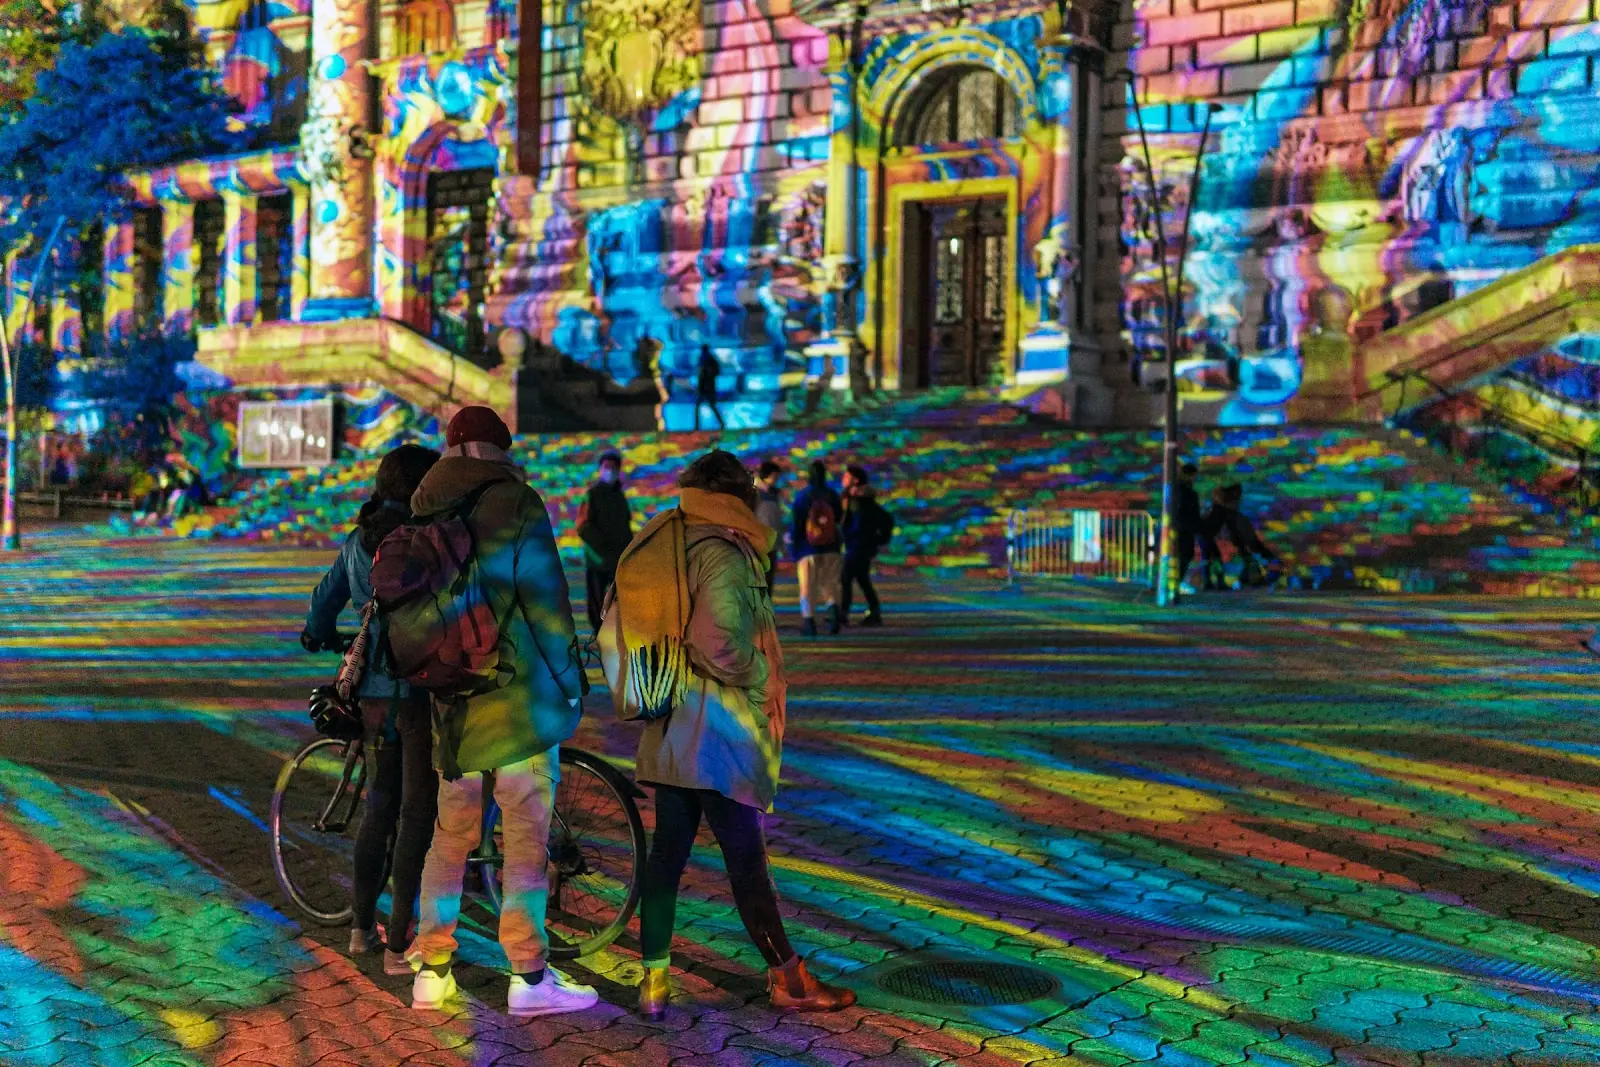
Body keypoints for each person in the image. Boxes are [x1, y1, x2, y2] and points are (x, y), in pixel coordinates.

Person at [608, 449, 857, 1018]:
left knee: (667, 856)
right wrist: (760, 674)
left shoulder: (674, 541)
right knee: (746, 859)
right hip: (714, 734)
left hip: (672, 729)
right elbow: (719, 643)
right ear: (736, 497)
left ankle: (653, 983)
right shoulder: (723, 552)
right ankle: (789, 981)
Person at [403, 407, 598, 1018]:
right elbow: (546, 604)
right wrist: (571, 681)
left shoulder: (424, 507)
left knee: (450, 838)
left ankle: (431, 970)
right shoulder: (517, 504)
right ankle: (528, 976)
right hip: (517, 706)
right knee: (524, 841)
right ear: (500, 450)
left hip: (451, 701)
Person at [302, 443, 442, 976]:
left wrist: (317, 635)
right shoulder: (427, 538)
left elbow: (321, 607)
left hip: (373, 700)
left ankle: (361, 929)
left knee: (378, 812)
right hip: (420, 695)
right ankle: (399, 946)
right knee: (415, 817)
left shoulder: (357, 542)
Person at [578, 451, 633, 633]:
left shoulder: (619, 496)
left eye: (613, 467)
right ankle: (598, 632)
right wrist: (602, 547)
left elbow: (624, 526)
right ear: (600, 469)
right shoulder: (593, 495)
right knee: (596, 600)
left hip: (618, 559)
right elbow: (584, 526)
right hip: (598, 559)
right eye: (606, 467)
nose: (610, 470)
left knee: (620, 600)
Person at [789, 460, 843, 636]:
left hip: (807, 549)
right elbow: (839, 518)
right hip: (831, 548)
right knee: (831, 584)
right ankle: (834, 614)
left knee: (807, 587)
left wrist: (795, 549)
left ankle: (809, 621)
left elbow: (796, 525)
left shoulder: (803, 496)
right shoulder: (832, 495)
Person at [840, 465, 892, 627]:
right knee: (862, 579)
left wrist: (875, 539)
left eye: (847, 476)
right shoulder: (856, 499)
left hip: (858, 546)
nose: (843, 479)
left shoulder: (860, 501)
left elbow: (856, 524)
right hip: (859, 545)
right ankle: (874, 612)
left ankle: (843, 613)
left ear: (855, 480)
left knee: (846, 578)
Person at [1201, 483, 1278, 589]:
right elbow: (1235, 531)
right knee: (1211, 558)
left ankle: (1214, 582)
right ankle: (1213, 583)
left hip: (1206, 536)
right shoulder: (1224, 512)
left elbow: (1236, 532)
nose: (1239, 502)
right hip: (1206, 536)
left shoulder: (1222, 510)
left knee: (1212, 558)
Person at [753, 460, 785, 593]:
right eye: (775, 476)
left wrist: (781, 543)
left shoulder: (774, 495)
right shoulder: (753, 493)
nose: (777, 479)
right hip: (757, 543)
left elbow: (777, 521)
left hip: (770, 543)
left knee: (768, 581)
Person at [1175, 463, 1202, 593]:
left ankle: (1176, 582)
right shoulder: (1187, 492)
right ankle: (1178, 583)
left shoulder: (1177, 489)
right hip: (1184, 528)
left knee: (1182, 555)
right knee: (1184, 555)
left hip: (1181, 527)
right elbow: (1190, 512)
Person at [696, 344, 724, 431]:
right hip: (705, 387)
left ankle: (721, 423)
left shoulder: (709, 360)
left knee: (710, 405)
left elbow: (715, 372)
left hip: (708, 387)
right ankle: (697, 426)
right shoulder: (704, 359)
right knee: (700, 406)